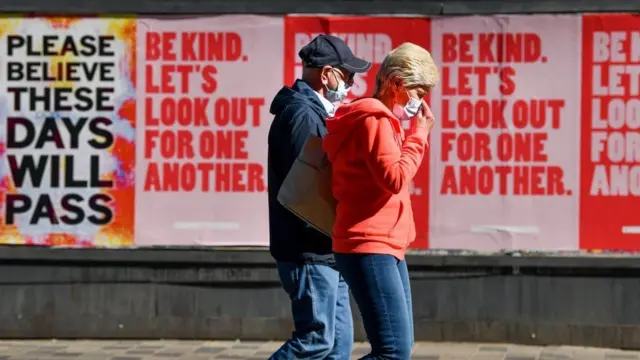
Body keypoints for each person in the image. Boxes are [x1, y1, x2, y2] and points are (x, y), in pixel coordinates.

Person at [322, 42, 439, 360]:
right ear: (398, 83)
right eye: (420, 91)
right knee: (393, 352)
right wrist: (419, 133)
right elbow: (395, 179)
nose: (423, 101)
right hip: (370, 244)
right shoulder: (375, 120)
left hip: (384, 244)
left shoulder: (381, 120)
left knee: (399, 347)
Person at [267, 34, 371, 360]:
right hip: (309, 252)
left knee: (337, 347)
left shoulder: (314, 112)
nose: (352, 83)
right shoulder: (303, 116)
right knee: (317, 342)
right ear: (326, 75)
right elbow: (310, 191)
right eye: (347, 75)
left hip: (326, 252)